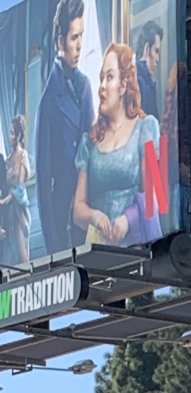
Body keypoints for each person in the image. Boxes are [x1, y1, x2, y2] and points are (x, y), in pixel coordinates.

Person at [72, 43, 161, 246]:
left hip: (137, 248)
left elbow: (154, 198)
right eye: (101, 78)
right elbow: (78, 210)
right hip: (99, 252)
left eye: (109, 77)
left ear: (123, 85)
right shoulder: (89, 142)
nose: (102, 86)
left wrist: (128, 220)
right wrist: (94, 216)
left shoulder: (146, 128)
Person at [34, 0, 93, 254]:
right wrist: (54, 248)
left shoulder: (85, 86)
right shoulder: (48, 102)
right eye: (73, 37)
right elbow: (42, 181)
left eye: (82, 36)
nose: (79, 45)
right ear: (60, 42)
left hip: (89, 209)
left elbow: (93, 150)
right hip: (63, 218)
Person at [0, 115, 33, 265]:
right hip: (8, 212)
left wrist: (5, 200)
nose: (10, 137)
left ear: (19, 135)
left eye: (13, 133)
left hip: (19, 208)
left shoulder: (23, 155)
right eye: (9, 133)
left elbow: (20, 186)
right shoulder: (6, 161)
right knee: (9, 252)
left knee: (21, 253)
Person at [135, 22, 162, 123]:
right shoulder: (140, 83)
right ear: (147, 49)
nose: (157, 59)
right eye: (156, 51)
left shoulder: (142, 80)